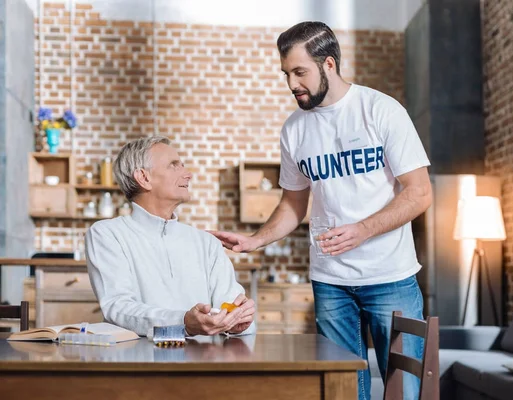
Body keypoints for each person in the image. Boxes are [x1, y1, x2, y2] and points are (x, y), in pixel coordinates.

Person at [211, 21, 432, 399]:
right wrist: (255, 240)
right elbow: (293, 205)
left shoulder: (381, 111)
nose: (292, 83)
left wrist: (362, 229)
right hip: (330, 281)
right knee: (341, 390)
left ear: (328, 65)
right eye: (286, 73)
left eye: (300, 72)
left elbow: (420, 193)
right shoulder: (294, 129)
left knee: (404, 392)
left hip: (390, 276)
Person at [85, 136, 255, 337]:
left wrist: (237, 322)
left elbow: (236, 313)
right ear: (144, 178)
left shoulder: (207, 243)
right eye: (174, 166)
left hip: (203, 363)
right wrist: (183, 322)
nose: (188, 174)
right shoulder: (107, 234)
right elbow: (118, 307)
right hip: (137, 362)